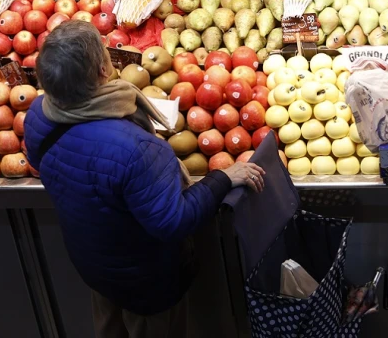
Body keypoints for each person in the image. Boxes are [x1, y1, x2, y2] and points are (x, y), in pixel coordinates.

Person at [24, 20, 266, 337]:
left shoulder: (38, 114)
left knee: (109, 325)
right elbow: (173, 221)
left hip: (95, 265)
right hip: (146, 283)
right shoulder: (138, 149)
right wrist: (221, 178)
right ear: (102, 71)